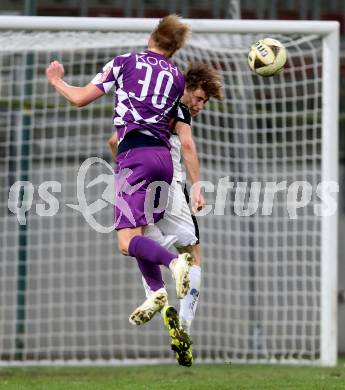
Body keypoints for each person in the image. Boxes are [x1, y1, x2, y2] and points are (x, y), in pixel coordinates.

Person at [46, 14, 193, 355]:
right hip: (163, 160)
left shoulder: (124, 62)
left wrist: (57, 81)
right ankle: (156, 293)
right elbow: (172, 119)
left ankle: (174, 263)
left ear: (150, 36)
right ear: (174, 48)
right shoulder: (177, 77)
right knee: (139, 233)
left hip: (135, 157)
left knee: (127, 243)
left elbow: (81, 97)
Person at [108, 62, 223, 366]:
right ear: (187, 86)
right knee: (193, 253)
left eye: (204, 103)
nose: (199, 105)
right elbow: (186, 144)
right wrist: (198, 186)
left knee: (138, 241)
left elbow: (113, 141)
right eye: (199, 98)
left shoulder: (145, 106)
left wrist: (125, 172)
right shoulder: (177, 106)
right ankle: (184, 324)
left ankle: (157, 295)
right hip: (169, 181)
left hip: (136, 173)